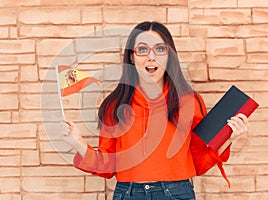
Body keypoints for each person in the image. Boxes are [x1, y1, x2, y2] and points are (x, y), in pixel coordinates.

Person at [61, 21, 249, 200]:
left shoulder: (189, 101)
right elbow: (107, 167)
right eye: (142, 49)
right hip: (129, 194)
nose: (151, 56)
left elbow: (198, 163)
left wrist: (228, 137)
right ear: (132, 57)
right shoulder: (115, 105)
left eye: (160, 49)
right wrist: (77, 143)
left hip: (177, 193)